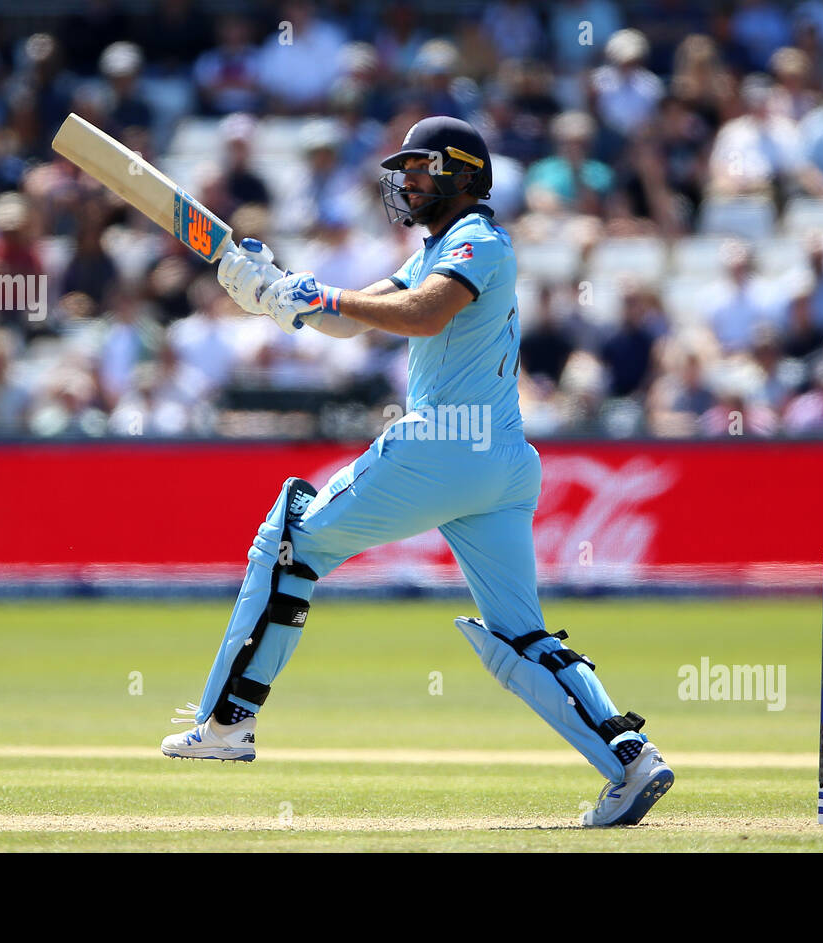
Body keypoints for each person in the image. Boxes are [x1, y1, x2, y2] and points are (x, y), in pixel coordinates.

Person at [161, 116, 673, 827]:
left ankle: (225, 723)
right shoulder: (440, 248)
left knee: (292, 536)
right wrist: (273, 291)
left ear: (463, 175)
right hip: (501, 461)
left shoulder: (478, 239)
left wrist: (319, 297)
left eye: (421, 169)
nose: (406, 183)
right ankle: (629, 759)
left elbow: (423, 315)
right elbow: (355, 319)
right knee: (520, 634)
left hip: (442, 446)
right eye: (403, 171)